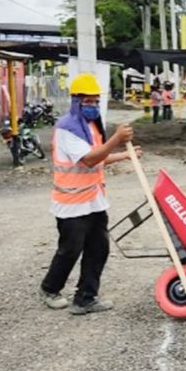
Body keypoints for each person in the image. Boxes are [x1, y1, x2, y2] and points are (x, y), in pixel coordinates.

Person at [40, 74, 139, 315]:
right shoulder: (67, 128)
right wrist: (116, 139)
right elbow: (88, 158)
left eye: (96, 102)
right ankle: (50, 288)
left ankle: (85, 297)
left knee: (99, 248)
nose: (93, 106)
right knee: (70, 249)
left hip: (94, 200)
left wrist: (124, 155)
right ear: (76, 101)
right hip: (71, 202)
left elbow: (98, 156)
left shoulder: (92, 127)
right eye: (89, 102)